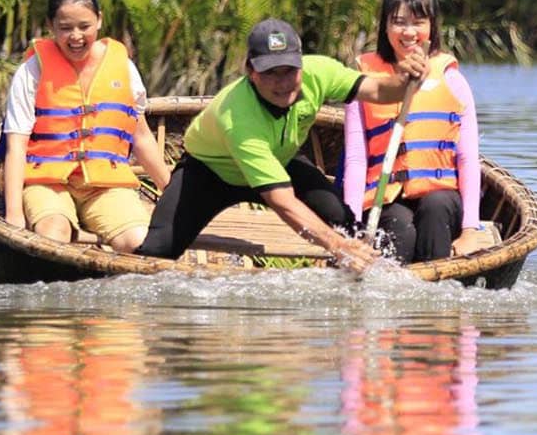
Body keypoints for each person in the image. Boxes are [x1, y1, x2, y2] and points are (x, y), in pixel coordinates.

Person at [133, 17, 426, 268]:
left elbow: (377, 89)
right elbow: (283, 203)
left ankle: (357, 271)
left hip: (281, 160)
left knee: (342, 219)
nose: (283, 82)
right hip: (210, 171)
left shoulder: (319, 72)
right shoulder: (238, 117)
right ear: (251, 72)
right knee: (157, 249)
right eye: (271, 73)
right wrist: (336, 245)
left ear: (301, 64)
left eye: (289, 70)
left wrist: (404, 80)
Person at [0, 0, 170, 253]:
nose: (76, 36)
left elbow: (141, 137)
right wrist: (14, 214)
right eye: (65, 28)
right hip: (48, 182)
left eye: (84, 26)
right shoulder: (32, 71)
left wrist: (171, 192)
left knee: (139, 243)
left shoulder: (123, 68)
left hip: (105, 184)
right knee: (54, 234)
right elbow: (16, 146)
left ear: (99, 21)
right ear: (51, 26)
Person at [344, 0, 495, 264]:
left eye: (418, 22)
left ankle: (436, 287)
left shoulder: (453, 80)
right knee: (401, 224)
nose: (409, 32)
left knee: (435, 206)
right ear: (385, 27)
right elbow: (355, 159)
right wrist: (352, 229)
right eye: (399, 22)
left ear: (432, 26)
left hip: (441, 196)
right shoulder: (363, 83)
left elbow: (467, 158)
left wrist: (470, 229)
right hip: (386, 199)